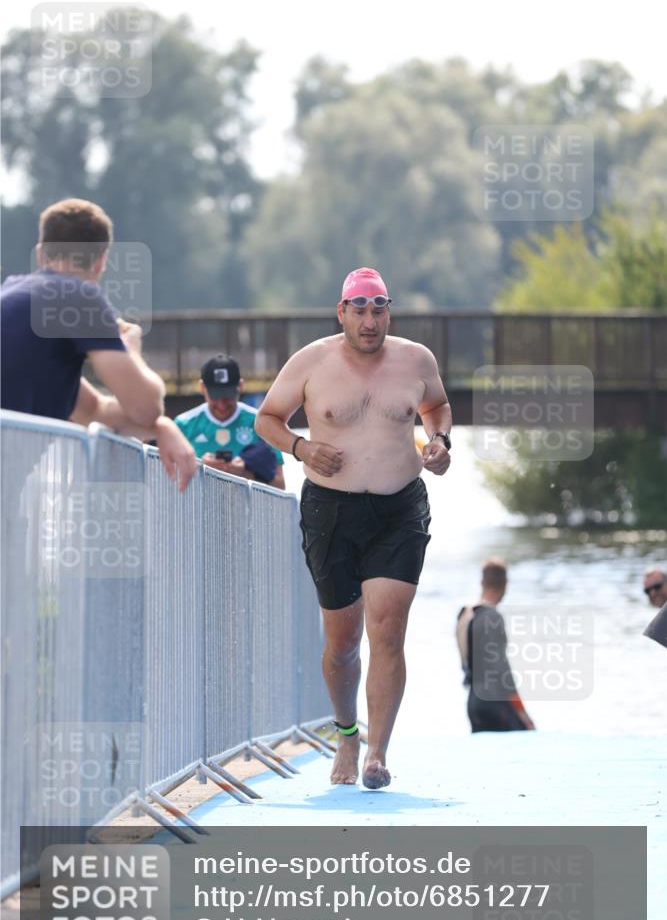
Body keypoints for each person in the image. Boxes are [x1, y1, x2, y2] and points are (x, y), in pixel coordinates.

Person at [255, 266, 451, 789]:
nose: (370, 320)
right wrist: (301, 447)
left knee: (388, 630)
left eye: (379, 308)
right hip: (331, 512)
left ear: (389, 311)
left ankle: (377, 754)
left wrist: (440, 443)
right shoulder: (311, 362)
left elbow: (436, 406)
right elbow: (267, 418)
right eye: (359, 309)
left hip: (400, 509)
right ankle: (347, 734)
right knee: (343, 643)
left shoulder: (416, 359)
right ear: (341, 312)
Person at [0, 197, 196, 490]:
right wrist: (129, 347)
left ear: (41, 255)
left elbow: (93, 412)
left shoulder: (12, 291)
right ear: (102, 260)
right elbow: (145, 407)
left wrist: (162, 426)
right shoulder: (80, 297)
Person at [174, 354, 285, 489]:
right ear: (203, 387)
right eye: (215, 395)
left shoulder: (262, 422)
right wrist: (200, 467)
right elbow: (165, 479)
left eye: (228, 395)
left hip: (245, 510)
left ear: (241, 386)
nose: (222, 404)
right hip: (196, 509)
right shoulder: (183, 424)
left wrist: (244, 474)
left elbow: (280, 485)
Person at [456, 558, 535, 733]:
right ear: (505, 584)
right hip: (494, 702)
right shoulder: (491, 617)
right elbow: (501, 669)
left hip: (473, 702)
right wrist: (522, 712)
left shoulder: (464, 615)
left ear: (482, 582)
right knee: (523, 744)